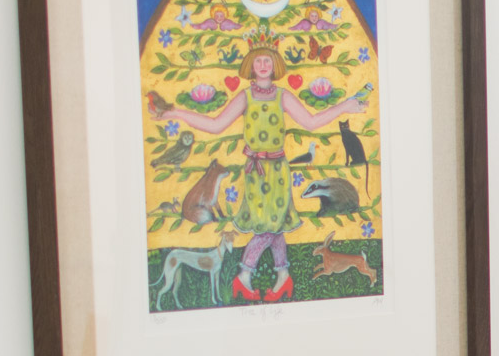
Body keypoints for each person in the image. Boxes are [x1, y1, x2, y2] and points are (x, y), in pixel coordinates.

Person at [155, 36, 366, 301]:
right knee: (268, 227)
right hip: (255, 173)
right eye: (258, 60)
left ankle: (263, 277)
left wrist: (345, 106)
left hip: (278, 171)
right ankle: (265, 277)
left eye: (268, 60)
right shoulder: (244, 97)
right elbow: (215, 124)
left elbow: (311, 122)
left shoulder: (282, 96)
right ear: (251, 66)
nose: (263, 65)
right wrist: (176, 114)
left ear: (274, 63)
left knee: (273, 226)